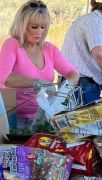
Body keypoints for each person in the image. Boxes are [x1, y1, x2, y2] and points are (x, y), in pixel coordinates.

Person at [0, 0, 79, 131]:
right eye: (34, 27)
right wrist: (37, 82)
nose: (39, 32)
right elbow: (4, 77)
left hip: (38, 116)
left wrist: (64, 90)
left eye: (43, 27)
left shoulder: (50, 49)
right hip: (10, 113)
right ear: (22, 25)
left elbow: (73, 73)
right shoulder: (12, 44)